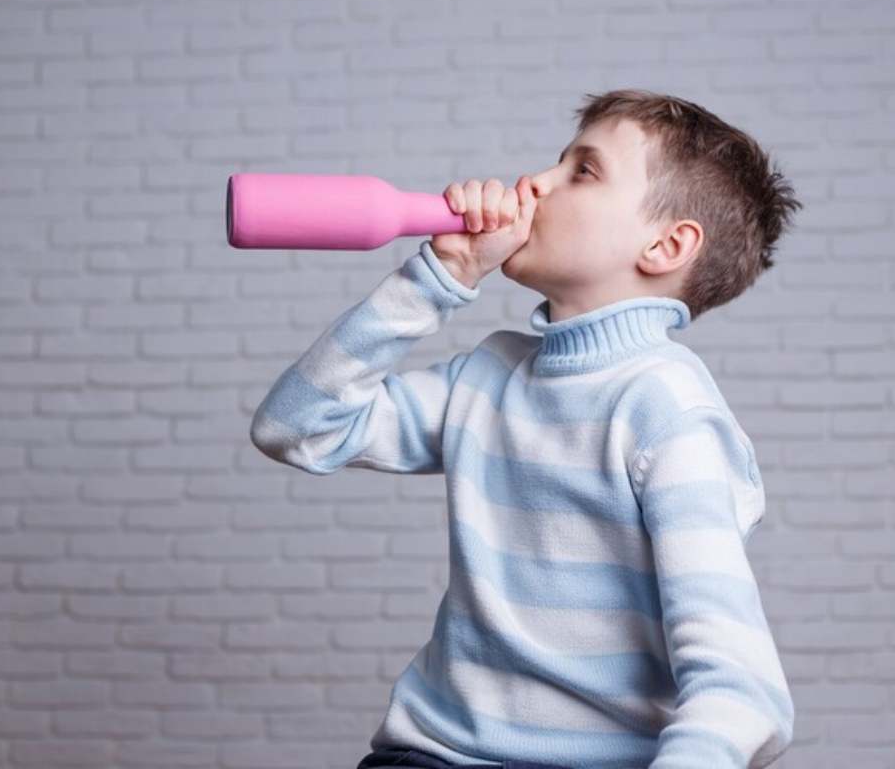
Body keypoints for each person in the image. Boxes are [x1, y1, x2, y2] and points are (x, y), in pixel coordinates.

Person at [250, 88, 803, 769]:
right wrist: (441, 275)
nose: (533, 183)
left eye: (584, 171)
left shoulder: (667, 411)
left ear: (666, 244)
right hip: (429, 756)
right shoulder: (489, 378)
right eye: (557, 161)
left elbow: (743, 695)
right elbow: (296, 426)